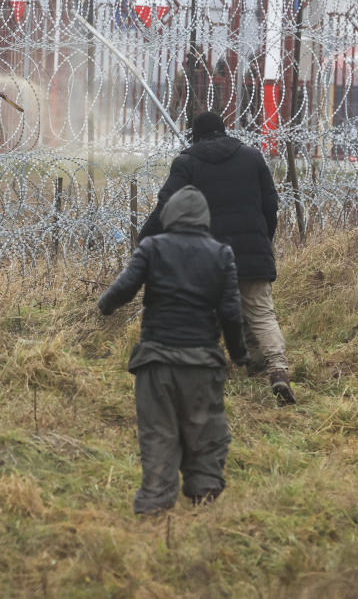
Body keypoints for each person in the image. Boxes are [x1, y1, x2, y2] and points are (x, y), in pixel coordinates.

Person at [98, 185, 247, 515]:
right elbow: (231, 312)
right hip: (202, 360)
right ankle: (204, 491)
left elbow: (125, 287)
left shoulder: (153, 247)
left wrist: (104, 306)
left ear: (170, 215)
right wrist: (238, 354)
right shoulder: (222, 254)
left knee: (158, 433)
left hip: (156, 360)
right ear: (204, 218)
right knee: (205, 428)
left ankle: (155, 502)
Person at [138, 111, 295, 406]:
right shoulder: (252, 157)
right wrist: (263, 240)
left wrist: (146, 239)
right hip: (252, 250)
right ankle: (277, 370)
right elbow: (270, 205)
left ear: (194, 135)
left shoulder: (187, 163)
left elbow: (167, 207)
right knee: (260, 313)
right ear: (224, 131)